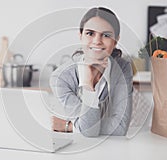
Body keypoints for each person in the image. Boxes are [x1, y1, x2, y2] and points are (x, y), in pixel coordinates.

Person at [50, 7, 133, 137]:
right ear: (80, 36)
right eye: (90, 33)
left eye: (106, 35)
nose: (97, 41)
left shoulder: (122, 68)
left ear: (116, 40)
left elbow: (121, 127)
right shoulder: (61, 78)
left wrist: (71, 126)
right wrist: (88, 86)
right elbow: (89, 131)